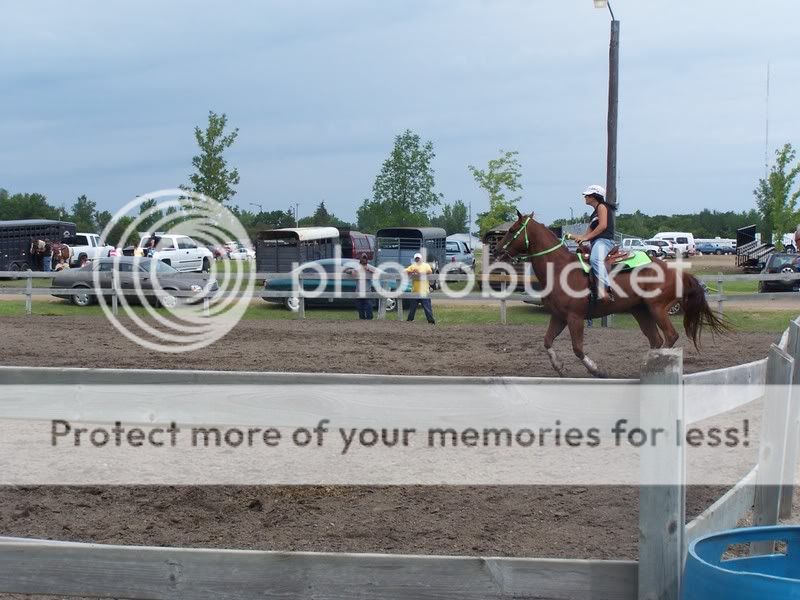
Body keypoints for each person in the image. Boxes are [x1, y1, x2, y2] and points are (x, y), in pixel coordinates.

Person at [572, 184, 616, 301]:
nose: (585, 197)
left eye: (587, 195)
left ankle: (607, 288)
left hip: (605, 241)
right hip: (596, 242)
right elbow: (587, 234)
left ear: (594, 196)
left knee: (594, 259)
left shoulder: (602, 207)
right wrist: (579, 238)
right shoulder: (593, 213)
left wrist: (586, 238)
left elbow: (602, 226)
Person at [405, 252, 435, 324]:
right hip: (415, 290)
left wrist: (418, 272)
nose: (417, 259)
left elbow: (429, 271)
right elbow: (406, 271)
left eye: (418, 258)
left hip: (424, 291)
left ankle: (431, 321)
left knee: (427, 308)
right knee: (412, 308)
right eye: (416, 258)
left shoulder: (426, 265)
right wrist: (411, 272)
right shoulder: (412, 266)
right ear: (415, 259)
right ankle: (410, 320)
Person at [347, 253, 375, 320]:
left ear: (367, 260)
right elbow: (346, 270)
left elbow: (378, 272)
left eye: (365, 258)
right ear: (360, 259)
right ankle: (362, 322)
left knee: (369, 308)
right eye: (363, 258)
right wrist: (351, 271)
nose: (364, 260)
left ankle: (369, 321)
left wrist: (369, 270)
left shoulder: (369, 267)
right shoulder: (357, 268)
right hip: (358, 292)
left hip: (367, 291)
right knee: (360, 309)